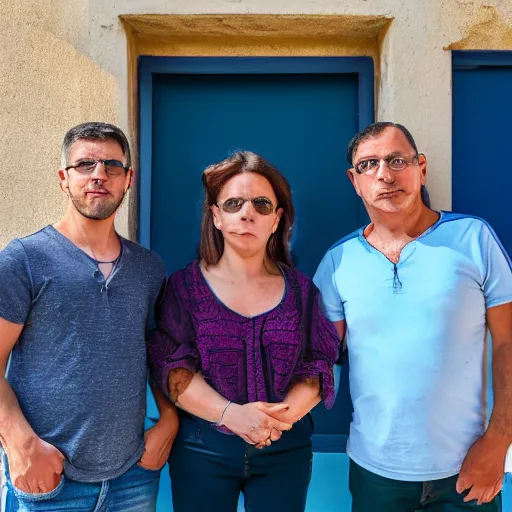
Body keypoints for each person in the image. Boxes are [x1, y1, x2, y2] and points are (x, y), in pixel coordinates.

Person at [314, 122, 512, 511]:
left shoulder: (474, 239)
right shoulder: (338, 262)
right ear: (355, 181)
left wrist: (499, 441)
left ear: (421, 168)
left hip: (468, 470)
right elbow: (319, 361)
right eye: (369, 164)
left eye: (397, 160)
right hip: (375, 474)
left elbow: (508, 343)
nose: (385, 174)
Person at [0, 122, 178, 511]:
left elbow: (157, 353)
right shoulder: (23, 260)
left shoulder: (149, 268)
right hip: (48, 478)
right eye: (85, 165)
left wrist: (168, 420)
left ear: (128, 179)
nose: (99, 175)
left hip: (132, 476)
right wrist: (20, 444)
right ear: (64, 178)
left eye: (112, 166)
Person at [148, 151, 339, 512]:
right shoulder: (184, 288)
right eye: (234, 203)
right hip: (203, 450)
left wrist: (270, 423)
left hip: (285, 450)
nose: (247, 214)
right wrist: (232, 415)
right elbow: (172, 368)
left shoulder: (302, 292)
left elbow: (318, 366)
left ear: (277, 218)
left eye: (261, 205)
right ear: (216, 216)